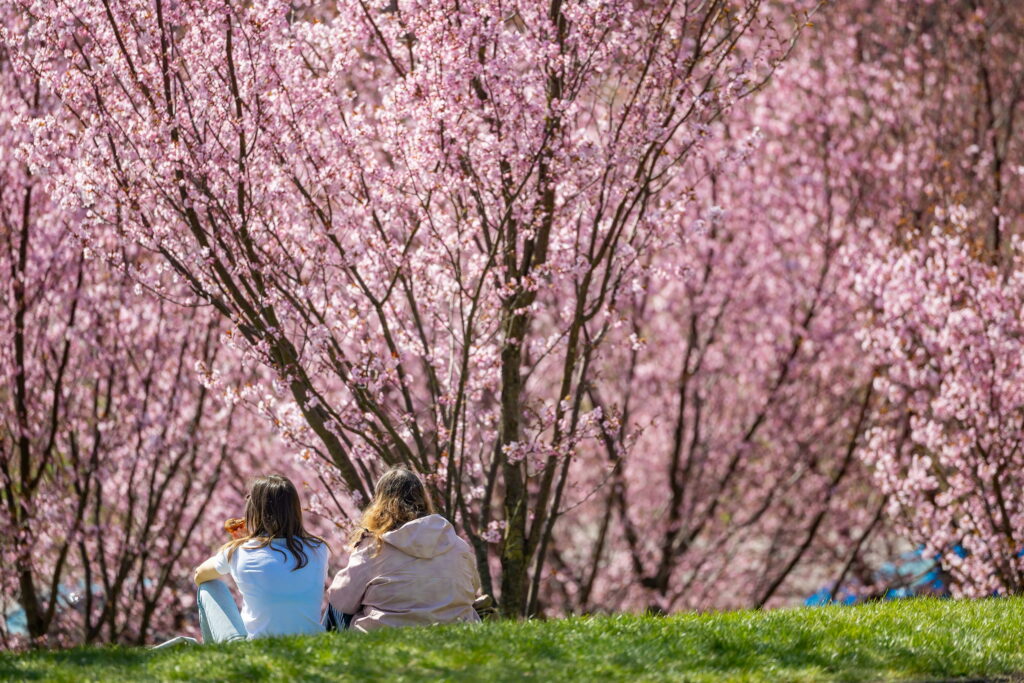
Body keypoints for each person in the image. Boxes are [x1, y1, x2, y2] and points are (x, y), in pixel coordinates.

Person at [326, 467, 481, 632]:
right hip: (454, 631)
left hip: (385, 634)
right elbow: (473, 587)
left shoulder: (374, 548)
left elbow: (340, 600)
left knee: (339, 609)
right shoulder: (458, 546)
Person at [192, 474, 329, 643]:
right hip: (313, 642)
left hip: (257, 646)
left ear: (254, 510)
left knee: (209, 586)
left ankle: (213, 657)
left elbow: (199, 575)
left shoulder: (238, 551)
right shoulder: (319, 548)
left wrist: (243, 545)